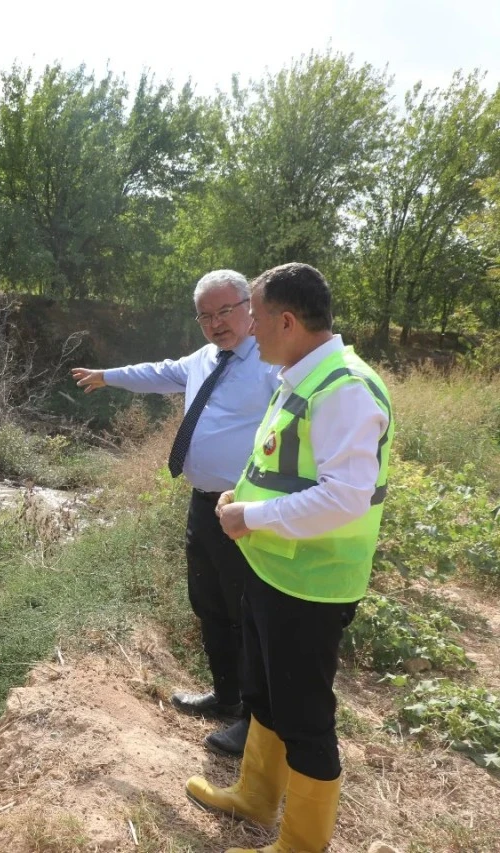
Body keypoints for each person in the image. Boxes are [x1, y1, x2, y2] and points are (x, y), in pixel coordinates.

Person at [186, 262, 394, 853]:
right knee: (265, 694)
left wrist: (247, 518)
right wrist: (240, 497)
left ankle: (301, 843)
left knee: (305, 719)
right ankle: (254, 799)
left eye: (255, 317)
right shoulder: (299, 376)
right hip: (272, 569)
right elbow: (282, 470)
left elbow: (345, 498)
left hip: (312, 584)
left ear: (285, 319)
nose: (248, 330)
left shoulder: (344, 387)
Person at [71, 270, 279, 757]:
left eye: (225, 311)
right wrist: (107, 377)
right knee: (209, 604)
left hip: (244, 513)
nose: (215, 323)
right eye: (205, 315)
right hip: (202, 505)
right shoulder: (203, 358)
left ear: (250, 307)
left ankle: (255, 721)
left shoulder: (272, 363)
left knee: (247, 614)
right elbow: (158, 371)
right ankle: (226, 696)